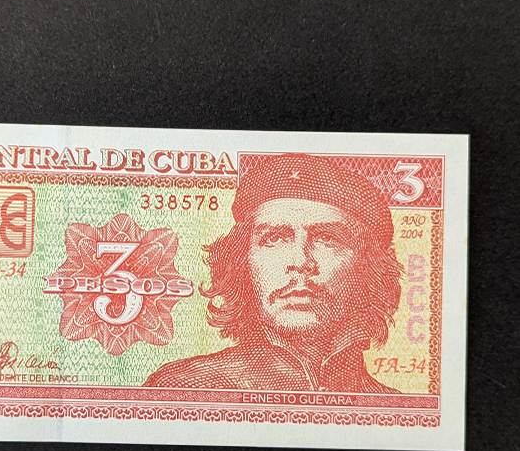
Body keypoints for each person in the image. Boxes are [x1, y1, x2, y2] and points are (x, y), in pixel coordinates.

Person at [144, 153, 402, 393]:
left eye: (327, 238)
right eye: (275, 238)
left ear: (370, 267)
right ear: (242, 263)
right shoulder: (183, 386)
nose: (300, 262)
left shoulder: (390, 406)